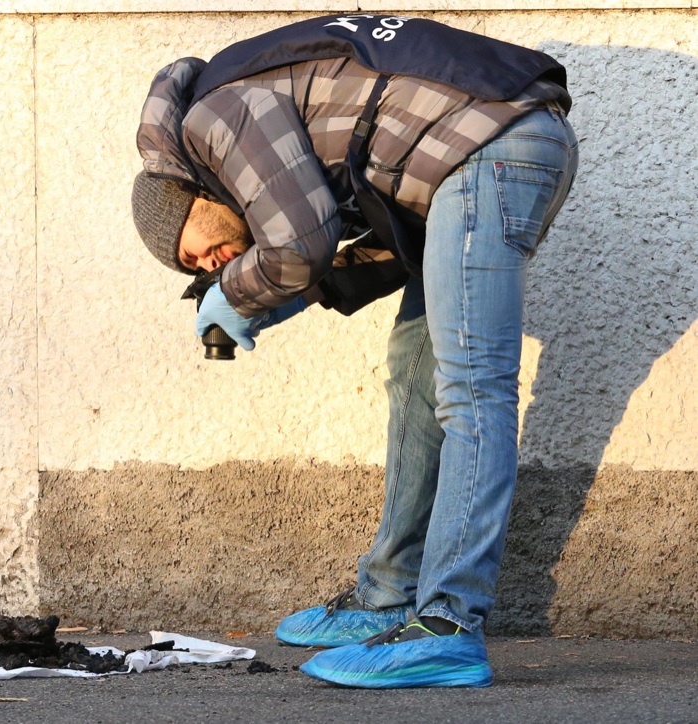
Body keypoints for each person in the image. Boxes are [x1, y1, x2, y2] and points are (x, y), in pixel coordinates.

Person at [131, 14, 579, 688]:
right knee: (417, 375)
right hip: (479, 154)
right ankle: (389, 595)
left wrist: (241, 289)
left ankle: (447, 625)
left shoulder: (213, 120)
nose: (213, 264)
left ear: (191, 195)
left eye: (197, 251)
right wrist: (270, 301)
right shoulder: (253, 130)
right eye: (203, 269)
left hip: (488, 148)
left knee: (473, 389)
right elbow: (352, 249)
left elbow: (299, 246)